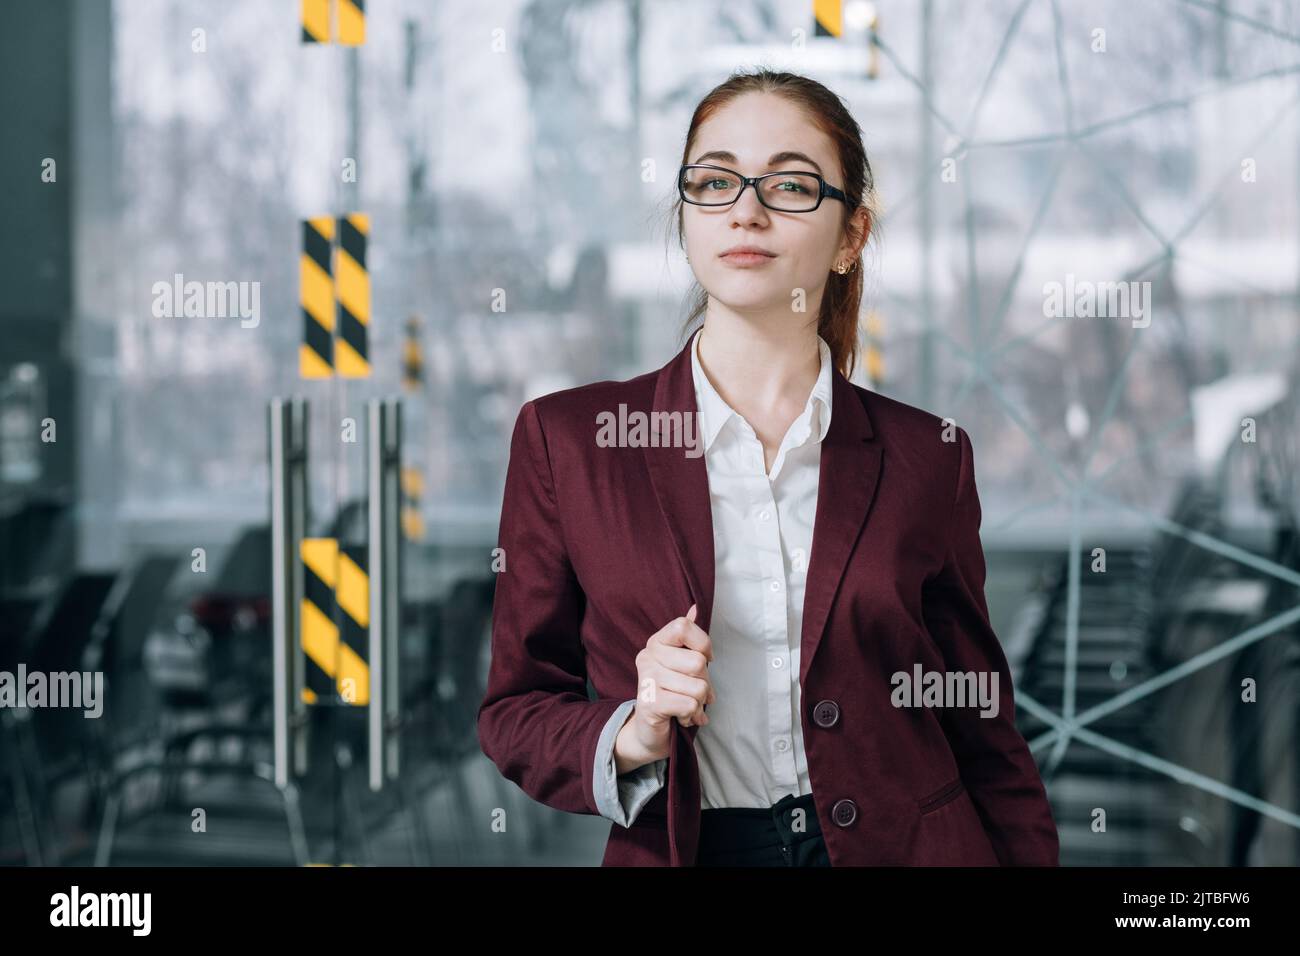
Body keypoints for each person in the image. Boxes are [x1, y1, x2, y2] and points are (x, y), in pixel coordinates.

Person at [478, 68, 1060, 867]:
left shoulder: (930, 458)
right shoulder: (568, 442)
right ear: (685, 216)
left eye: (789, 185)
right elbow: (516, 709)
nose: (745, 210)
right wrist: (634, 729)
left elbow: (980, 723)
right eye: (715, 181)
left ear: (852, 235)